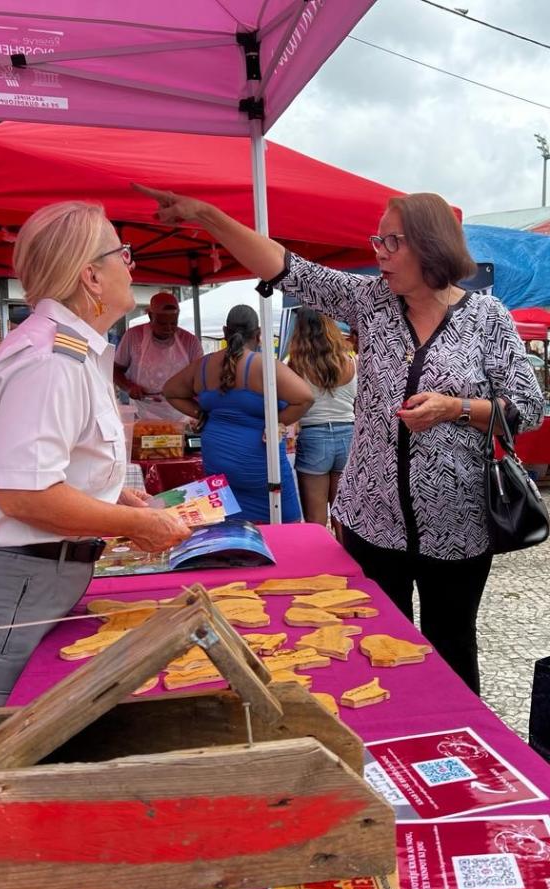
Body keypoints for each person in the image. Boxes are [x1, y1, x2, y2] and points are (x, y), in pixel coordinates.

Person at [136, 183, 543, 694]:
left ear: (430, 245)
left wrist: (456, 409)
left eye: (391, 242)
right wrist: (208, 217)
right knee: (370, 644)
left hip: (457, 524)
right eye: (378, 240)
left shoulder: (489, 320)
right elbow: (286, 267)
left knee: (451, 648)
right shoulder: (372, 300)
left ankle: (454, 749)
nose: (378, 252)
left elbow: (527, 407)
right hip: (372, 519)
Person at [0, 202, 191, 709]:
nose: (131, 265)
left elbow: (48, 469)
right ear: (91, 278)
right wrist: (131, 523)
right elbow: (25, 494)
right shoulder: (52, 360)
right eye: (122, 254)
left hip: (15, 583)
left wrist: (111, 496)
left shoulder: (71, 352)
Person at [163, 304, 312, 523]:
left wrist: (201, 413)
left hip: (218, 466)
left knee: (229, 538)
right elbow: (306, 397)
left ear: (225, 332)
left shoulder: (204, 365)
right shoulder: (265, 366)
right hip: (262, 468)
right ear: (259, 334)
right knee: (283, 531)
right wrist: (277, 423)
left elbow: (170, 391)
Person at [288, 307, 357, 538]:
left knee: (315, 522)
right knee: (344, 517)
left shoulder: (295, 365)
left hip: (314, 436)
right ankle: (349, 570)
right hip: (348, 434)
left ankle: (324, 572)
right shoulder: (350, 361)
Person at [114, 291, 203, 421]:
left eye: (173, 323)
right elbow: (116, 370)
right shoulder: (133, 336)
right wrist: (129, 387)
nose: (168, 328)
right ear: (150, 316)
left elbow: (200, 378)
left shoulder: (190, 341)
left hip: (181, 415)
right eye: (162, 323)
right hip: (143, 414)